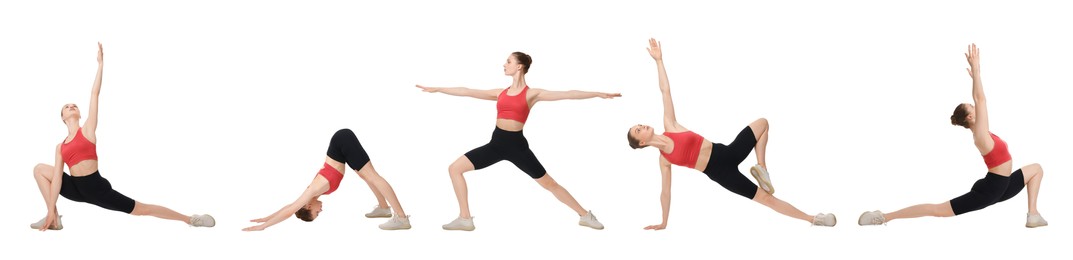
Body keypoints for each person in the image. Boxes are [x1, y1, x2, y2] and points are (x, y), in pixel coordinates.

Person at [626, 38, 837, 230]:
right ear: (642, 142)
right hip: (720, 173)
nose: (642, 125)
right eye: (638, 130)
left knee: (762, 123)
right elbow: (665, 192)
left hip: (726, 152)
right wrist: (664, 221)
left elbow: (665, 91)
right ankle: (814, 219)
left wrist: (659, 61)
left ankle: (762, 168)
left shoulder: (670, 125)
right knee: (767, 199)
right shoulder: (664, 160)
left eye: (639, 125)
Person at [416, 51, 620, 231]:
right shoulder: (500, 93)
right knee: (454, 168)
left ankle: (585, 215)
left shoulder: (532, 94)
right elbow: (467, 91)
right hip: (495, 145)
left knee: (550, 184)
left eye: (508, 61)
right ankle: (465, 218)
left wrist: (598, 94)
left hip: (517, 147)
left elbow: (568, 94)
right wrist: (439, 88)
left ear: (519, 66)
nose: (504, 65)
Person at [858, 44, 1048, 228]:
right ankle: (883, 217)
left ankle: (1033, 215)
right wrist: (976, 71)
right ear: (970, 116)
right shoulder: (980, 136)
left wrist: (976, 76)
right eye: (972, 107)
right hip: (991, 190)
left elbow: (978, 99)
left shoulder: (985, 132)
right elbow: (980, 98)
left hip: (1003, 186)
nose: (976, 107)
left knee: (1036, 169)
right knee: (938, 210)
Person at [31, 43, 215, 231]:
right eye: (66, 106)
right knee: (39, 169)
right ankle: (53, 217)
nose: (71, 106)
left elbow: (94, 93)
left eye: (74, 105)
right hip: (76, 189)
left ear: (79, 114)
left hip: (97, 189)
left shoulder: (87, 130)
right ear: (63, 117)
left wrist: (100, 65)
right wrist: (51, 209)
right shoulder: (60, 147)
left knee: (143, 209)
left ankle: (190, 219)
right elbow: (58, 180)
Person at [243, 129, 411, 231]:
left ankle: (402, 218)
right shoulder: (311, 196)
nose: (320, 211)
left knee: (372, 176)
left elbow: (289, 211)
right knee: (364, 175)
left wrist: (263, 227)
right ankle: (383, 208)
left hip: (342, 140)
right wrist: (266, 217)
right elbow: (289, 207)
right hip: (341, 147)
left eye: (316, 213)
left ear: (308, 206)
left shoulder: (313, 191)